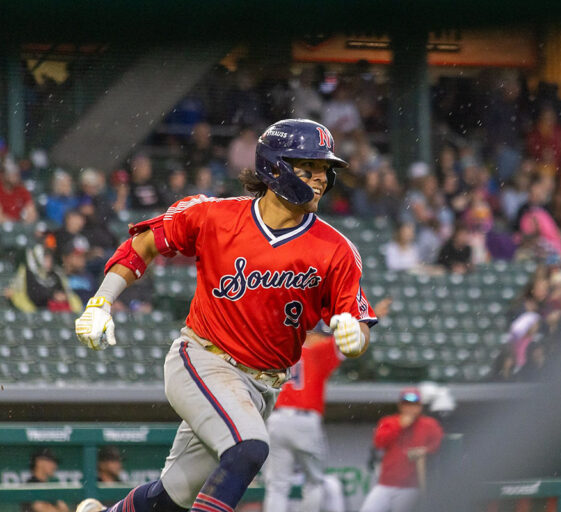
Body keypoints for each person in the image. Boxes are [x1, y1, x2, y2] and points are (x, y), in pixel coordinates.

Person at [74, 119, 377, 512]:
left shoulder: (336, 249)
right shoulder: (214, 215)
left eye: (325, 169)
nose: (320, 179)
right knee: (249, 448)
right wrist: (101, 301)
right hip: (203, 358)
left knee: (172, 496)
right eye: (309, 167)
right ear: (275, 167)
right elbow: (144, 243)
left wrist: (355, 339)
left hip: (263, 387)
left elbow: (357, 321)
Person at [263, 298, 392, 512]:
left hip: (277, 420)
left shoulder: (282, 350)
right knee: (315, 482)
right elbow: (350, 340)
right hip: (304, 421)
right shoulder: (320, 350)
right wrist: (372, 317)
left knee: (277, 485)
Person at [359, 389, 443, 512]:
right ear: (400, 406)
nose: (410, 408)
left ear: (420, 406)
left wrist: (425, 451)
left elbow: (439, 445)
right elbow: (379, 443)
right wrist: (399, 426)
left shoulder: (429, 424)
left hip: (411, 486)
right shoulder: (389, 422)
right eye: (406, 404)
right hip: (385, 484)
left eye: (414, 405)